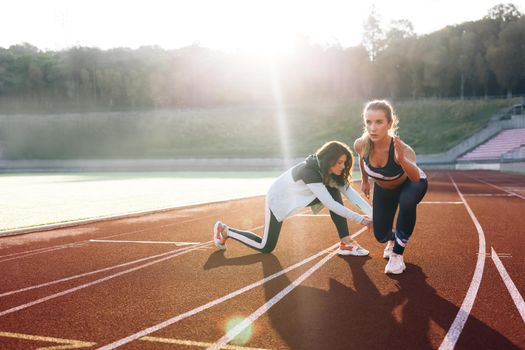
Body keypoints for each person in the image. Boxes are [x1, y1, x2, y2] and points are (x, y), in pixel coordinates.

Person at [213, 141, 373, 256]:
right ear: (328, 160)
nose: (343, 167)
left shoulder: (329, 172)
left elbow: (353, 196)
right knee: (266, 246)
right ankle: (226, 231)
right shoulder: (309, 171)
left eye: (345, 163)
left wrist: (374, 216)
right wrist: (363, 220)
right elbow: (330, 204)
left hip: (302, 196)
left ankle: (346, 244)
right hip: (278, 200)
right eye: (339, 162)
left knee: (333, 189)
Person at [354, 100, 428, 274]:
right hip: (384, 187)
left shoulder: (403, 150)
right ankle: (394, 238)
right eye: (368, 122)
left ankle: (397, 256)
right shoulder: (360, 144)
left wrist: (401, 160)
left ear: (389, 123)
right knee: (380, 235)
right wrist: (365, 180)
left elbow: (415, 177)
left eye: (379, 122)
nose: (372, 128)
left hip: (410, 183)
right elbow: (361, 159)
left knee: (407, 201)